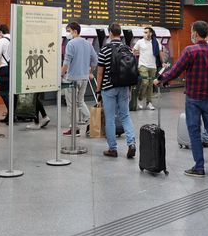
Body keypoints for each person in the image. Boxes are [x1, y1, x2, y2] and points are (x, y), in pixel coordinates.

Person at [155, 21, 208, 178]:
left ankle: (199, 167)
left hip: (193, 99)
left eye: (191, 32)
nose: (191, 35)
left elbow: (175, 71)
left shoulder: (190, 51)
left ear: (195, 34)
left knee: (195, 132)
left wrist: (160, 79)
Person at [95, 23, 137, 158]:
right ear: (120, 34)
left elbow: (100, 73)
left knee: (110, 118)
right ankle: (131, 143)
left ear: (110, 33)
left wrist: (98, 90)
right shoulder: (127, 49)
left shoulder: (104, 49)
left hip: (108, 89)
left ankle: (112, 149)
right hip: (124, 87)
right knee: (125, 116)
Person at [62, 22, 97, 136]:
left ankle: (74, 129)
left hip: (72, 78)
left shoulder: (71, 44)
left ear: (75, 31)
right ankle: (92, 121)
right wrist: (90, 71)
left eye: (69, 31)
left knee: (71, 104)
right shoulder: (88, 44)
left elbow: (66, 62)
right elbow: (95, 60)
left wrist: (61, 74)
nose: (68, 34)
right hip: (84, 77)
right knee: (80, 101)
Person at [133, 26, 164, 111]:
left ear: (151, 33)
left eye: (146, 32)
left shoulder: (155, 41)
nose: (145, 34)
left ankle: (149, 103)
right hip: (142, 65)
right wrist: (139, 53)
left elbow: (160, 51)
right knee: (145, 82)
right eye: (144, 32)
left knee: (151, 85)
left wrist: (163, 62)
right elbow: (134, 50)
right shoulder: (140, 42)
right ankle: (140, 98)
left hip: (152, 66)